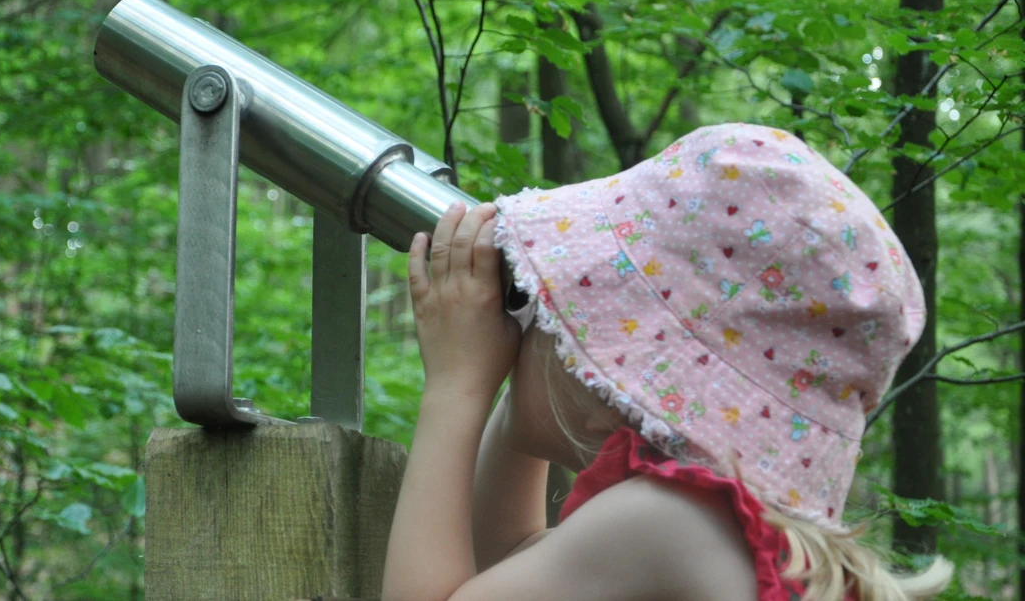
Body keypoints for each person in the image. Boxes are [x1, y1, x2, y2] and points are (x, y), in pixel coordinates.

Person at [381, 123, 953, 601]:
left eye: (546, 307)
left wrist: (458, 384)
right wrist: (512, 375)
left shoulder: (665, 521)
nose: (532, 314)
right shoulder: (721, 538)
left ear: (619, 380)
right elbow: (504, 559)